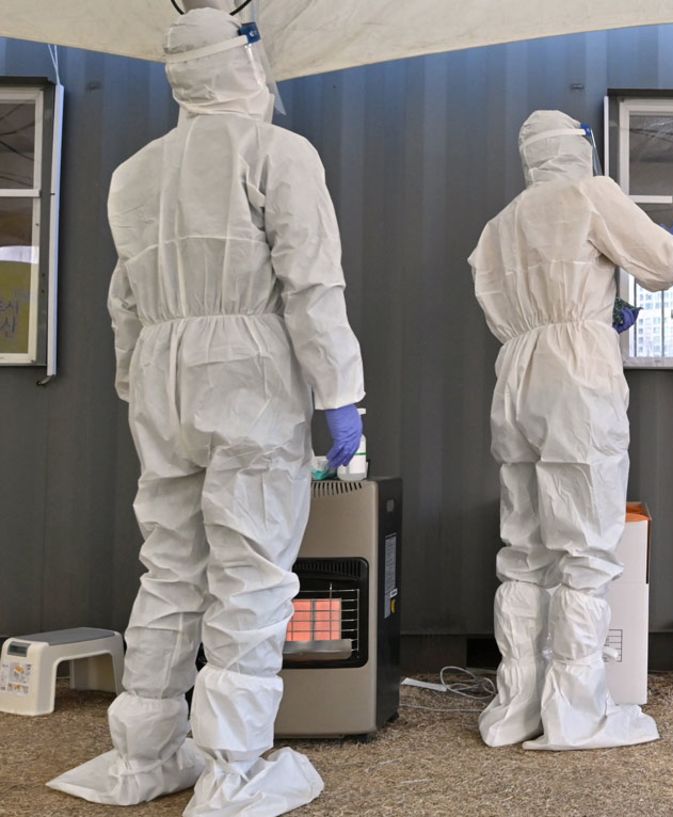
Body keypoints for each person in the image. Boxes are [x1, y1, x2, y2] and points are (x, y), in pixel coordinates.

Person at [48, 9, 364, 816]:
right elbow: (311, 285)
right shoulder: (278, 153)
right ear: (246, 67)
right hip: (250, 376)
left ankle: (143, 753)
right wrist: (341, 396)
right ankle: (233, 763)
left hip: (161, 376)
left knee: (171, 568)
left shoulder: (134, 173)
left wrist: (137, 386)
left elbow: (124, 301)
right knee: (251, 572)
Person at [468, 109, 673, 750]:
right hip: (578, 375)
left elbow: (508, 311)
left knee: (524, 548)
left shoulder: (500, 225)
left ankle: (514, 709)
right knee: (584, 548)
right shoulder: (590, 192)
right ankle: (576, 714)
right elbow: (661, 264)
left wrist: (591, 317)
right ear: (581, 149)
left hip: (517, 371)